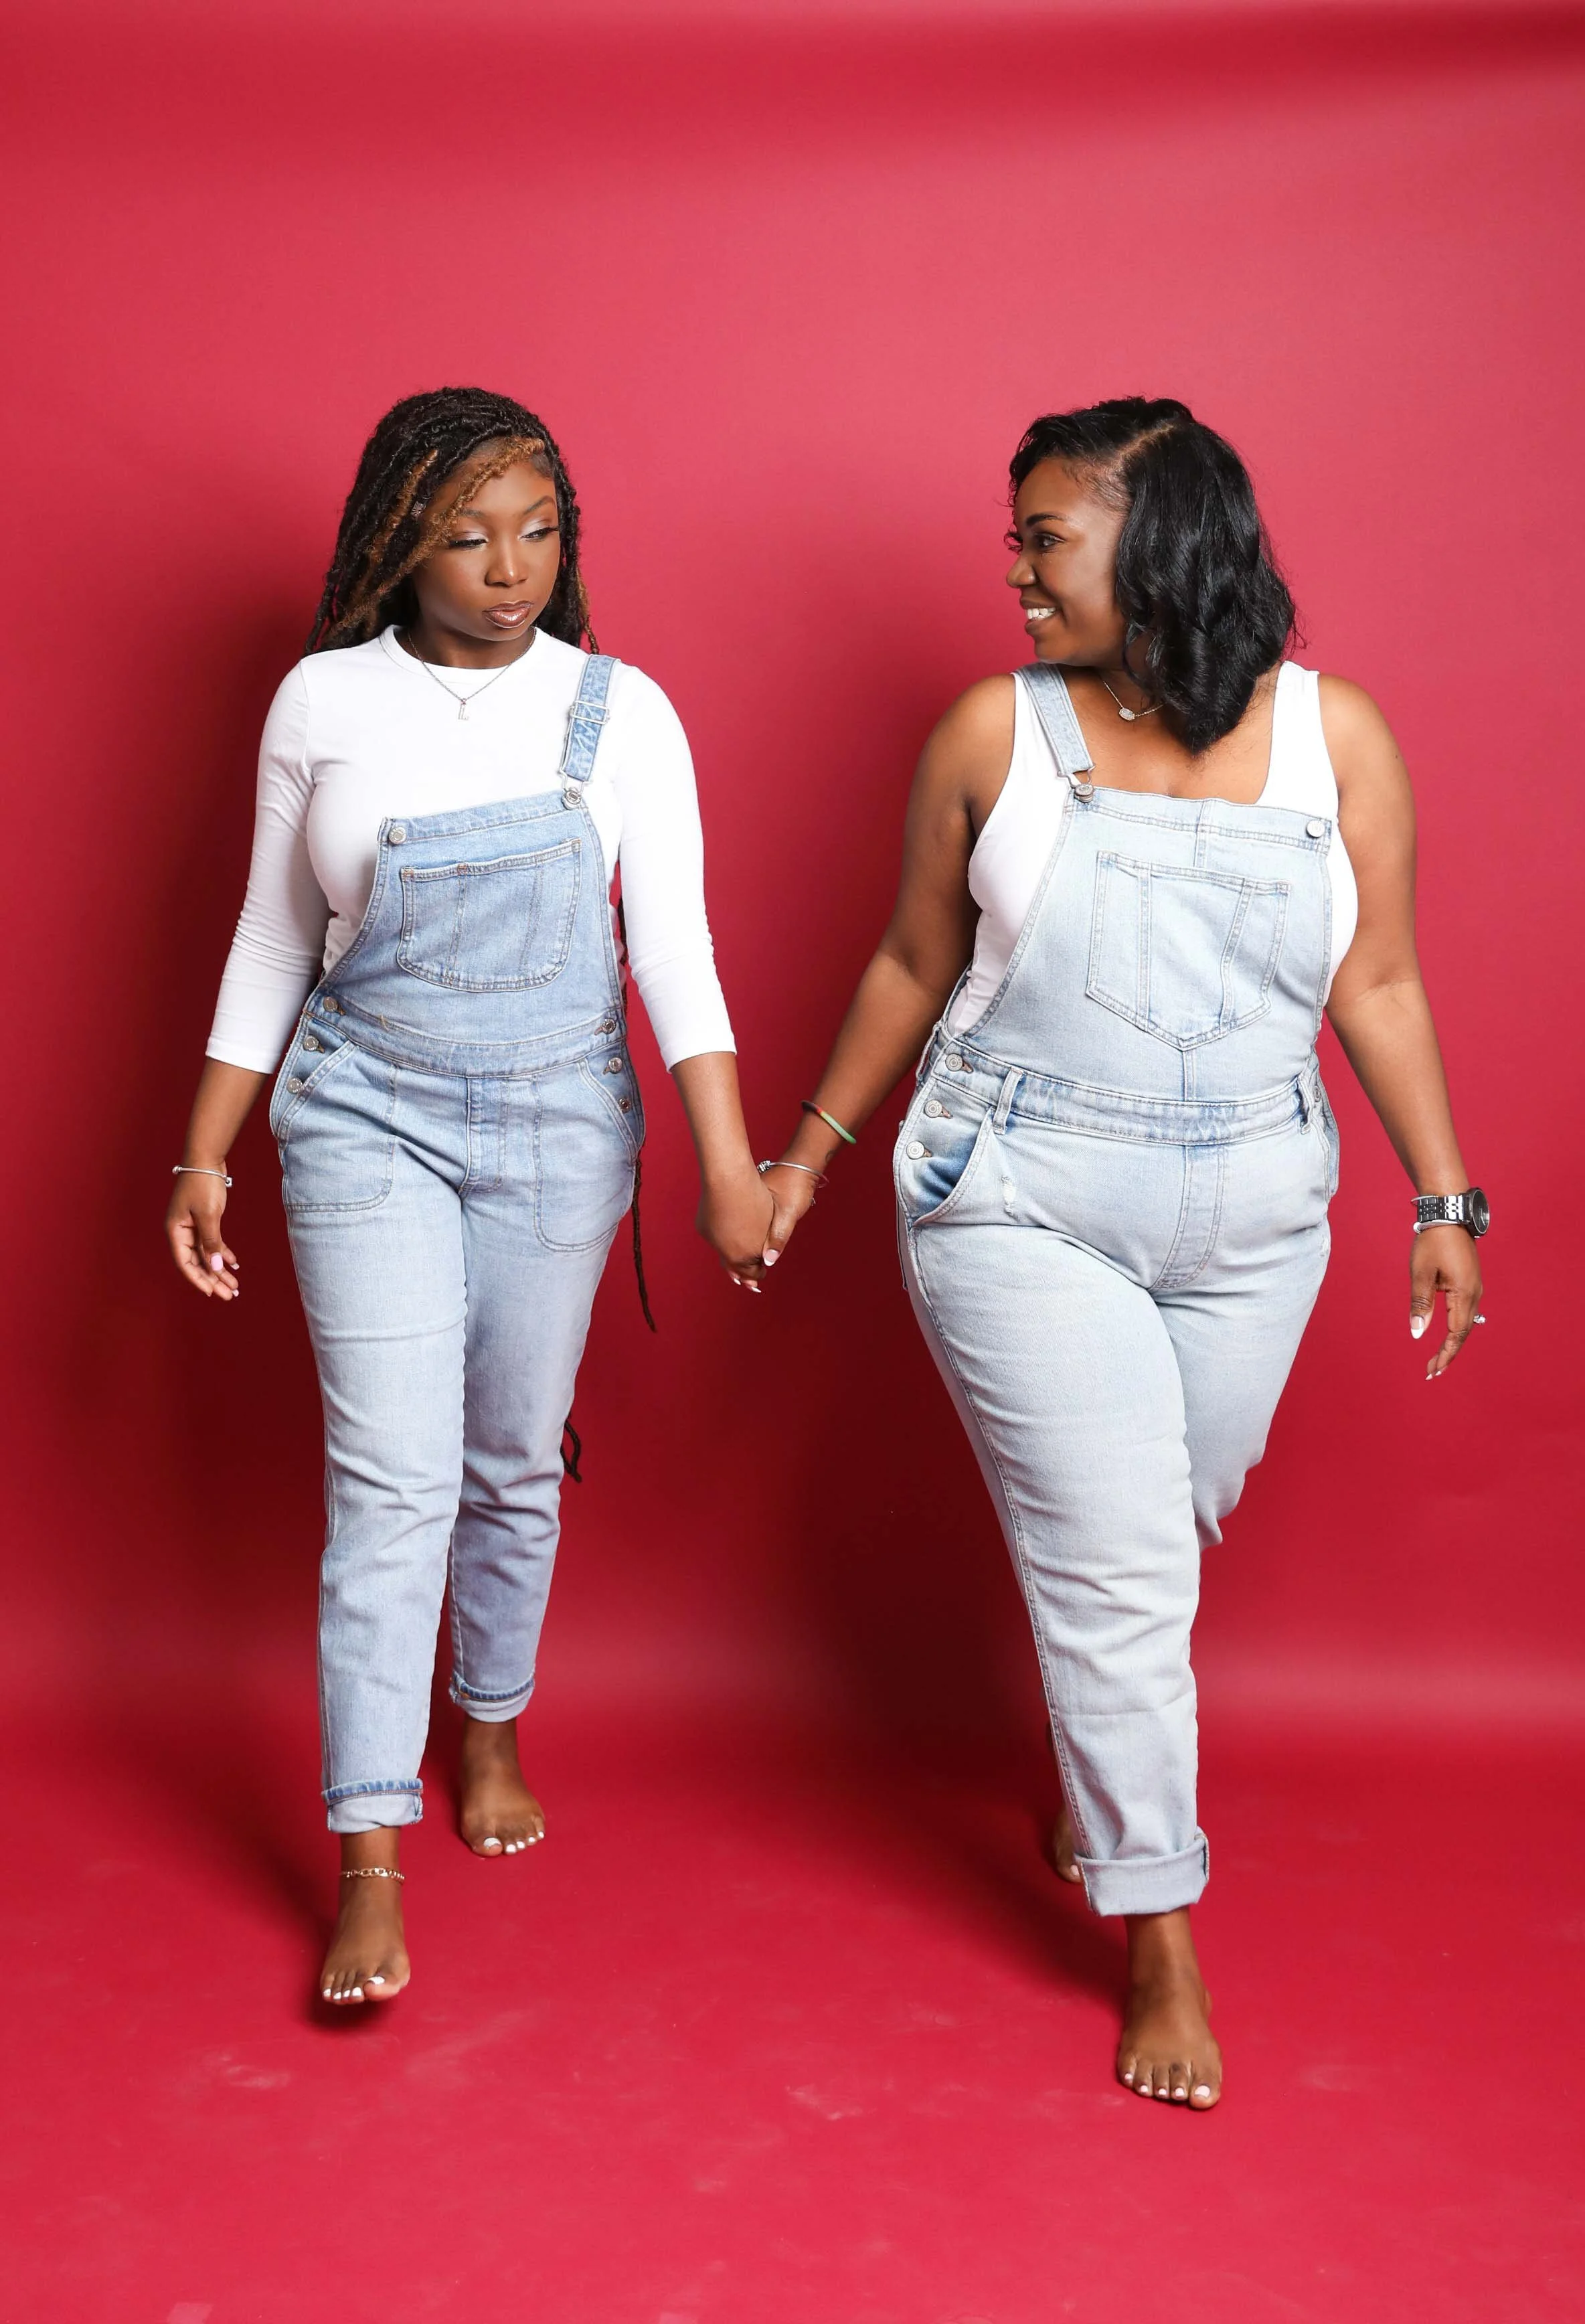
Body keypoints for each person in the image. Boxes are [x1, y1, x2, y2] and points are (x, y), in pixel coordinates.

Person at [758, 397, 1486, 2110]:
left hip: (1255, 1209)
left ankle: (1095, 1745)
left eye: (1040, 538)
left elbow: (1371, 982)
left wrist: (1440, 1193)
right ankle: (1155, 1921)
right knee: (1119, 1579)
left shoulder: (1336, 739)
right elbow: (905, 963)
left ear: (1158, 540)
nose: (1009, 570)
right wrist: (805, 1154)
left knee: (1161, 1521)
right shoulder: (988, 734)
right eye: (1010, 537)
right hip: (1015, 1184)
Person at [167, 388, 774, 2007]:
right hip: (365, 1110)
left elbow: (678, 951)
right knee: (390, 1477)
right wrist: (206, 1148)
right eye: (463, 534)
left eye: (537, 531)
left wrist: (725, 1159)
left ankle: (487, 1713)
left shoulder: (621, 712)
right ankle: (369, 1846)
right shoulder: (321, 700)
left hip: (561, 1123)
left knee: (510, 1457)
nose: (507, 570)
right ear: (393, 540)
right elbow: (272, 940)